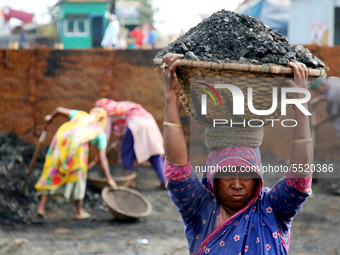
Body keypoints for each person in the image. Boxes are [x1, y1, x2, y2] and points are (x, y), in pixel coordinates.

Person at [162, 53, 313, 254]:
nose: (236, 184)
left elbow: (300, 181)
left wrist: (301, 111)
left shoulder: (272, 208)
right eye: (226, 175)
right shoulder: (201, 209)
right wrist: (170, 98)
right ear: (213, 177)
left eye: (246, 175)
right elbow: (177, 173)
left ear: (258, 176)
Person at [35, 107, 117, 219]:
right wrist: (109, 179)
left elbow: (58, 110)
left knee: (53, 172)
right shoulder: (99, 132)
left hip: (61, 144)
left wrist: (50, 118)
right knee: (79, 177)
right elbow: (103, 158)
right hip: (77, 152)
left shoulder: (80, 115)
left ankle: (41, 208)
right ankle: (79, 212)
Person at [94, 98, 167, 189]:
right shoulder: (120, 106)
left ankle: (130, 181)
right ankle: (164, 181)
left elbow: (105, 137)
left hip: (135, 124)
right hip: (149, 121)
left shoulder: (106, 113)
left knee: (126, 153)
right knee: (153, 153)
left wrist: (100, 154)